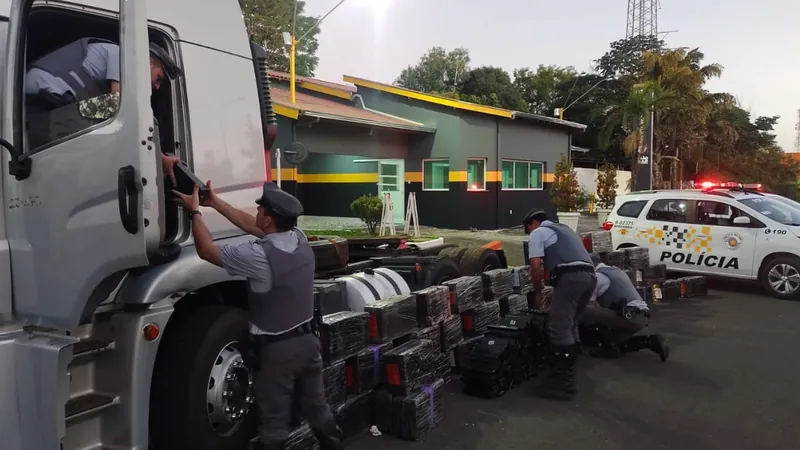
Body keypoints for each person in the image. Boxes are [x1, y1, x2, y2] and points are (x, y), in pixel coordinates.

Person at [172, 181, 345, 450]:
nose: (256, 212)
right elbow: (251, 226)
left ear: (268, 219)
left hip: (277, 352)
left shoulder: (259, 257)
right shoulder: (298, 238)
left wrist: (194, 212)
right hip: (308, 345)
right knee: (317, 409)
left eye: (260, 209)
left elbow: (207, 251)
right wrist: (215, 203)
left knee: (274, 426)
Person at [26, 38, 183, 181]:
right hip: (47, 90)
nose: (157, 86)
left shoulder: (107, 62)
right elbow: (120, 108)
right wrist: (156, 156)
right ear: (149, 61)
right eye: (159, 78)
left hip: (44, 97)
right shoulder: (121, 55)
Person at [523, 209, 597, 400]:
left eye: (528, 229)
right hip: (590, 277)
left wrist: (538, 294)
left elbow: (536, 266)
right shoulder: (565, 230)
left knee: (558, 327)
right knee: (570, 321)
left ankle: (563, 382)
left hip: (571, 277)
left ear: (533, 224)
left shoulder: (538, 233)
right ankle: (570, 364)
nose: (529, 233)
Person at [580, 263, 670, 362]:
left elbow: (590, 304)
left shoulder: (598, 277)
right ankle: (651, 341)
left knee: (585, 309)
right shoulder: (617, 273)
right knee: (618, 345)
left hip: (628, 316)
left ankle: (575, 343)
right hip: (640, 316)